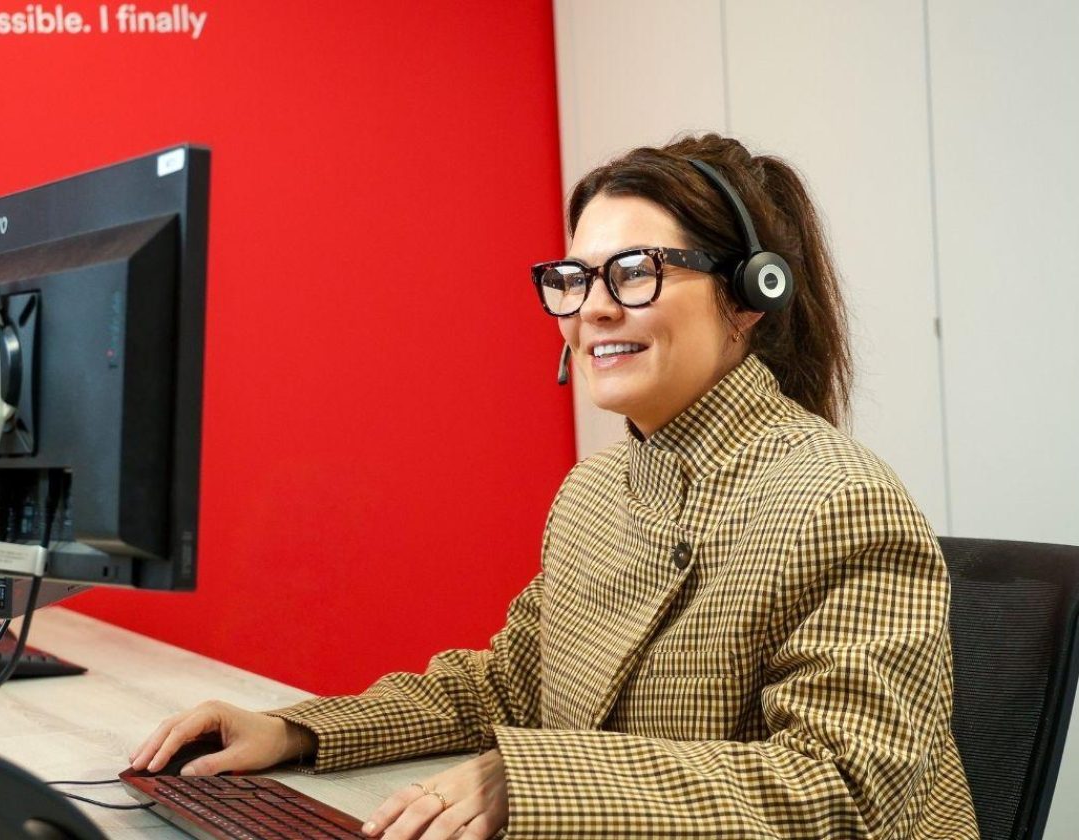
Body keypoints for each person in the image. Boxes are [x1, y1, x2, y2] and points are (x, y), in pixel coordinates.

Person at [131, 134, 979, 839]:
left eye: (635, 271)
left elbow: (841, 790)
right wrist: (296, 729)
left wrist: (534, 783)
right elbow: (508, 687)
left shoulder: (839, 498)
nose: (593, 310)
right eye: (574, 279)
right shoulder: (596, 491)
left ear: (750, 297)